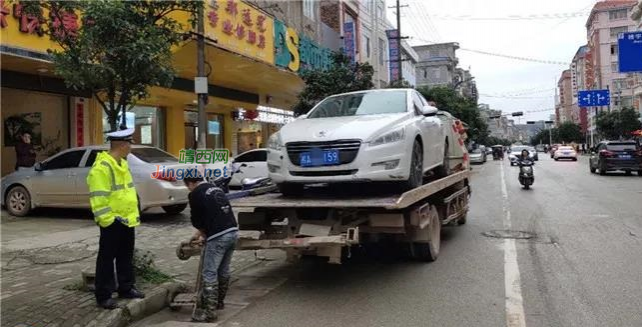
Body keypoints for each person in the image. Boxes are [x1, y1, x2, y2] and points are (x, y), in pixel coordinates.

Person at [87, 128, 145, 309]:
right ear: (121, 145)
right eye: (129, 144)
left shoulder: (121, 164)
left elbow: (126, 191)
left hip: (127, 219)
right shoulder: (102, 168)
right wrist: (107, 220)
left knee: (125, 256)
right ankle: (103, 295)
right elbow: (98, 198)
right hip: (112, 221)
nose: (131, 147)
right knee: (106, 258)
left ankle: (126, 288)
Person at [183, 170, 239, 323]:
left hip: (218, 236)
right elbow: (215, 214)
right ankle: (219, 303)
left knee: (209, 273)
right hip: (233, 232)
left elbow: (197, 220)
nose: (189, 189)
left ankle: (209, 313)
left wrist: (201, 233)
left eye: (188, 186)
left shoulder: (195, 193)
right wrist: (199, 235)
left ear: (190, 183)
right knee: (224, 270)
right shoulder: (216, 188)